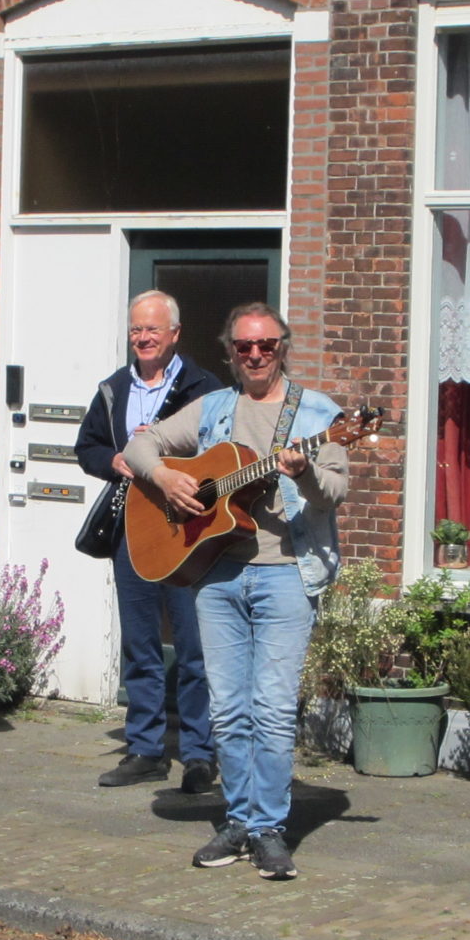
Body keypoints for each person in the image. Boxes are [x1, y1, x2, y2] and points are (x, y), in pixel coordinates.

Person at [125, 303, 348, 882]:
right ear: (230, 351)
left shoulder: (320, 414)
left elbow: (334, 495)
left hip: (286, 574)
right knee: (227, 712)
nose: (255, 355)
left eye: (266, 345)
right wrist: (167, 477)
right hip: (216, 574)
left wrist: (302, 473)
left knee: (271, 710)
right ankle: (241, 819)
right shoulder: (214, 408)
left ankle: (269, 828)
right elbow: (140, 445)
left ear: (283, 347)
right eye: (244, 346)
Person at [76, 290, 224, 794]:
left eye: (152, 330)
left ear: (174, 335)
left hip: (189, 534)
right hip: (132, 532)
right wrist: (115, 460)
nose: (142, 338)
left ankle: (200, 753)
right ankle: (144, 749)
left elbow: (221, 451)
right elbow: (87, 446)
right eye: (136, 329)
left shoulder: (205, 388)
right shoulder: (114, 388)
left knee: (194, 648)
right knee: (139, 645)